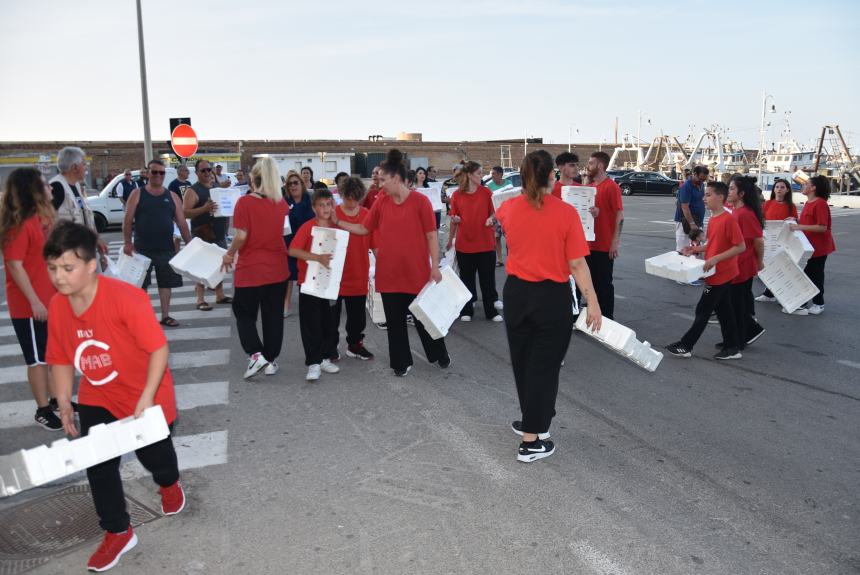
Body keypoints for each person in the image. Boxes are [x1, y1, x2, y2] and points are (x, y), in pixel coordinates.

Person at [44, 221, 185, 573]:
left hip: (146, 392)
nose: (59, 277)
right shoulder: (58, 306)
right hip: (99, 393)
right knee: (99, 463)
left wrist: (146, 398)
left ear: (91, 266)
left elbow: (158, 350)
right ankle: (118, 530)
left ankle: (169, 483)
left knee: (157, 458)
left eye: (67, 268)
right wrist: (63, 401)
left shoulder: (126, 298)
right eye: (52, 268)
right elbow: (60, 357)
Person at [495, 150, 601, 463]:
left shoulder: (508, 208)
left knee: (524, 362)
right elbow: (577, 264)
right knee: (544, 366)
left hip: (516, 294)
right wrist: (592, 302)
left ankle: (534, 419)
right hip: (550, 297)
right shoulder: (565, 213)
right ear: (552, 176)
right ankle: (531, 440)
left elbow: (500, 217)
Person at [332, 149, 450, 377]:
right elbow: (364, 228)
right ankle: (401, 363)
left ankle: (438, 354)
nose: (379, 183)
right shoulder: (381, 202)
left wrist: (434, 266)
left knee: (425, 320)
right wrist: (339, 221)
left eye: (383, 179)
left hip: (416, 274)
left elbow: (432, 236)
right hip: (388, 274)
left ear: (396, 178)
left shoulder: (420, 202)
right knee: (395, 323)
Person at [0, 168, 63, 430]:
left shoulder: (42, 220)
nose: (51, 188)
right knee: (37, 360)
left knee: (50, 355)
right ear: (33, 190)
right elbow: (14, 265)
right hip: (29, 305)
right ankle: (42, 409)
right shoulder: (19, 224)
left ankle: (57, 399)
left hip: (48, 299)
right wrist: (35, 301)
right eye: (45, 185)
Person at [221, 157, 291, 378]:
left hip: (251, 269)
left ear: (253, 178)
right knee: (273, 317)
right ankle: (270, 360)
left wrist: (229, 254)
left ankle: (255, 355)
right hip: (277, 268)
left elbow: (241, 235)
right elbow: (284, 232)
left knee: (244, 313)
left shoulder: (244, 203)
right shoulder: (281, 203)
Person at [666, 181, 745, 360]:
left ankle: (686, 345)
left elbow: (740, 246)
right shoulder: (714, 218)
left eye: (708, 195)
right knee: (725, 311)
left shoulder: (728, 219)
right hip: (715, 272)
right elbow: (714, 245)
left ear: (720, 197)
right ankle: (732, 347)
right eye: (705, 194)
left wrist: (716, 258)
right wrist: (694, 249)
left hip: (721, 272)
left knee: (703, 309)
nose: (704, 198)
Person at [123, 159, 193, 327]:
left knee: (166, 283)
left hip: (166, 248)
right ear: (148, 173)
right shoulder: (137, 194)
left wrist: (190, 244)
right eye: (154, 172)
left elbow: (182, 223)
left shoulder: (172, 196)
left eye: (161, 173)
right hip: (142, 248)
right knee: (141, 286)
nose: (158, 176)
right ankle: (141, 317)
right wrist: (127, 243)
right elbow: (127, 221)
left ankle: (165, 315)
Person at [288, 189, 342, 381]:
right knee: (311, 324)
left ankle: (326, 358)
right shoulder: (307, 227)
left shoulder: (337, 228)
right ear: (314, 207)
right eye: (321, 205)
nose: (326, 208)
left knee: (329, 323)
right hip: (309, 283)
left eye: (329, 204)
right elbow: (293, 250)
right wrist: (317, 258)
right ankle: (313, 363)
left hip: (330, 284)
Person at [446, 161, 502, 322]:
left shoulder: (486, 193)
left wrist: (491, 219)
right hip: (465, 244)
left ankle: (490, 311)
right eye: (479, 173)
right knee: (466, 279)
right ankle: (467, 309)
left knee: (487, 280)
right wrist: (450, 239)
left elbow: (495, 213)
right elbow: (453, 218)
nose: (481, 176)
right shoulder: (456, 195)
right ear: (470, 175)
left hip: (485, 243)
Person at [331, 177, 375, 360]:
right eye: (348, 197)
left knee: (357, 317)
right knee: (331, 316)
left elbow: (375, 243)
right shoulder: (332, 213)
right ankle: (330, 346)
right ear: (341, 194)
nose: (351, 202)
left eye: (355, 198)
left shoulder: (366, 214)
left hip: (358, 272)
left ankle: (355, 345)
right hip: (334, 274)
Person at [182, 159, 232, 311]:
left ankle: (220, 295)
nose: (206, 173)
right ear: (196, 173)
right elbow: (185, 212)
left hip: (219, 233)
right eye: (203, 170)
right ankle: (200, 299)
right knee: (201, 266)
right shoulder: (192, 190)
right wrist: (204, 209)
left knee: (220, 265)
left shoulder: (216, 187)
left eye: (208, 170)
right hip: (202, 233)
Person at [726, 175, 766, 349]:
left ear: (741, 193)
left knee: (738, 305)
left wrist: (760, 261)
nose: (729, 192)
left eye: (732, 189)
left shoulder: (745, 214)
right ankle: (743, 334)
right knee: (734, 304)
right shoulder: (736, 211)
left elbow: (758, 240)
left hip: (743, 265)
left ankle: (741, 338)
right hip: (735, 264)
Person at [583, 151, 623, 320]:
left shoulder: (611, 187)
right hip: (588, 244)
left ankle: (607, 317)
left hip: (604, 245)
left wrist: (614, 242)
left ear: (600, 165)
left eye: (591, 163)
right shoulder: (589, 188)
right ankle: (593, 313)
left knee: (604, 284)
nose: (588, 166)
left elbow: (619, 215)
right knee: (589, 283)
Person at [48, 146, 107, 258]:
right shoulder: (56, 187)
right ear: (75, 167)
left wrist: (96, 238)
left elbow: (85, 215)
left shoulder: (76, 186)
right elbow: (46, 223)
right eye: (84, 164)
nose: (86, 168)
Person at [789, 175, 835, 315]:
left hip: (819, 248)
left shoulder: (819, 203)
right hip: (809, 247)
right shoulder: (809, 203)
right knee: (808, 275)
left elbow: (822, 227)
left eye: (806, 184)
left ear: (813, 187)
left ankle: (818, 303)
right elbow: (809, 222)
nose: (803, 185)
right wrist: (795, 220)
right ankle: (804, 302)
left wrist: (799, 227)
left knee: (814, 275)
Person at [756, 178, 798, 302]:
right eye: (777, 187)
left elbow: (795, 221)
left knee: (782, 267)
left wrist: (793, 220)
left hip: (783, 240)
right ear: (774, 189)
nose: (779, 189)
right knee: (769, 266)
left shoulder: (791, 206)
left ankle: (783, 295)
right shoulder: (767, 204)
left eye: (782, 187)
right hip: (769, 239)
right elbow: (760, 219)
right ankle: (769, 294)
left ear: (787, 190)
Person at [283, 170, 316, 316]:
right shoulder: (284, 202)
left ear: (301, 184)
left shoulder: (310, 201)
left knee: (308, 275)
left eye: (296, 183)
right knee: (288, 276)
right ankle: (285, 305)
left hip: (308, 243)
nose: (293, 186)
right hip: (289, 242)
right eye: (290, 184)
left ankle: (310, 305)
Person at [674, 166, 709, 253]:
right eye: (700, 179)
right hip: (685, 222)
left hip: (697, 221)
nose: (702, 182)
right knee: (683, 249)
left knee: (695, 250)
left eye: (704, 180)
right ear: (694, 174)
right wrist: (692, 223)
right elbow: (685, 207)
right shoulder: (686, 187)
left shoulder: (700, 185)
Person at [486, 166, 511, 265]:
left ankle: (510, 259)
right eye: (491, 174)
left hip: (508, 216)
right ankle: (500, 260)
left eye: (494, 174)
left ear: (500, 174)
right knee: (497, 238)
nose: (492, 176)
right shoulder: (489, 186)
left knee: (509, 239)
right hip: (496, 216)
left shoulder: (508, 184)